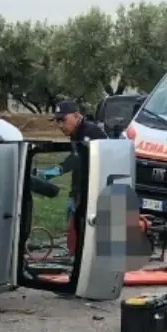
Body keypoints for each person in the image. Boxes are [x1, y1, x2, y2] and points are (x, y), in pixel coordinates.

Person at [40, 100, 108, 257]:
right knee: (73, 224)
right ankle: (75, 254)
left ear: (77, 116)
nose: (60, 125)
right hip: (79, 189)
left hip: (91, 191)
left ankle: (81, 256)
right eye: (57, 121)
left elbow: (77, 160)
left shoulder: (90, 132)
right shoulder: (76, 133)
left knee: (84, 226)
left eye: (63, 120)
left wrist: (53, 172)